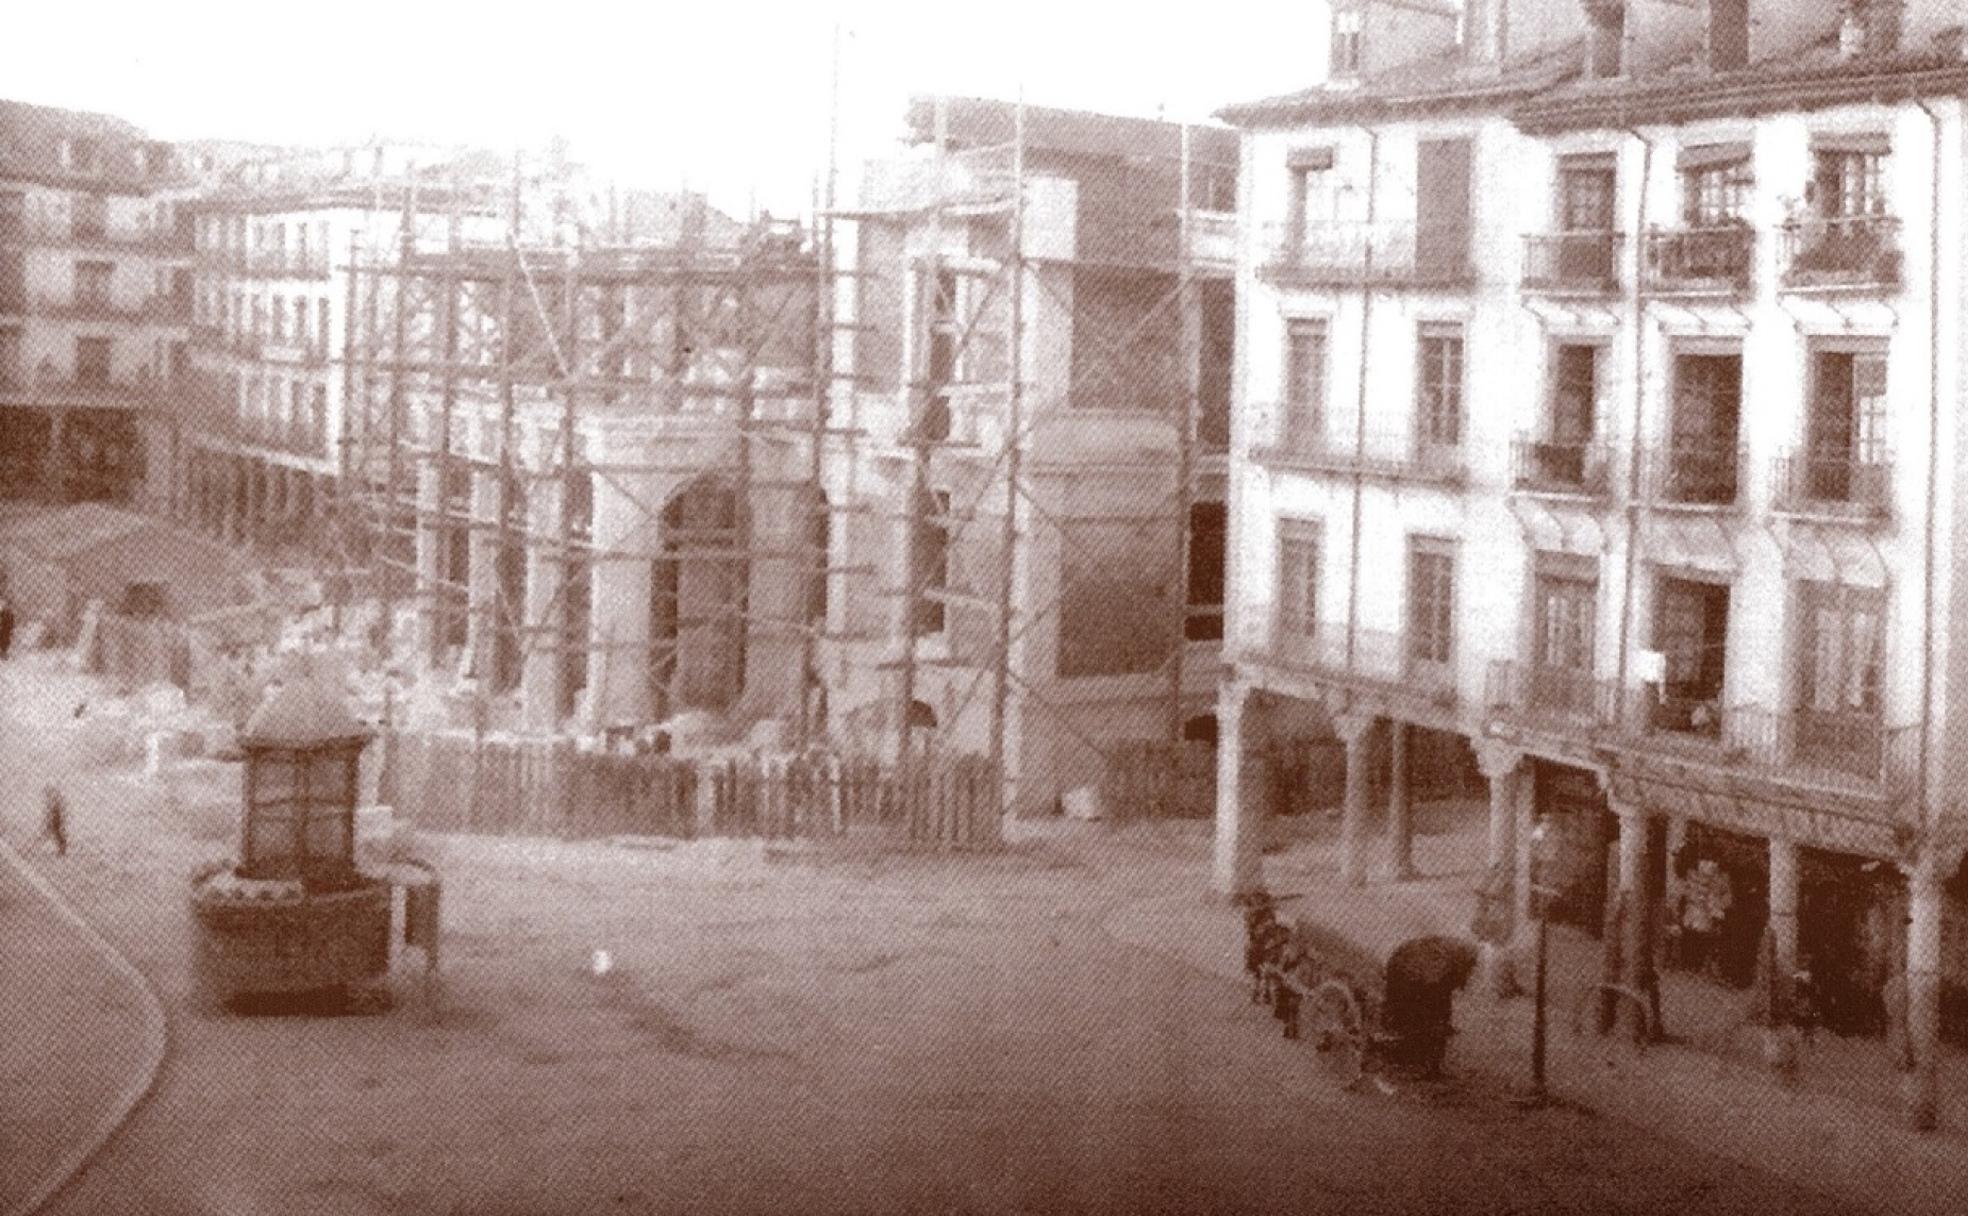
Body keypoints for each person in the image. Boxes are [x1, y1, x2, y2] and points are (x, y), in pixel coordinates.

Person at [43, 785, 67, 857]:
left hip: (56, 820)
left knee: (56, 834)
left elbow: (55, 812)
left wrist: (51, 819)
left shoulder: (54, 801)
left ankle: (61, 848)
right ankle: (61, 848)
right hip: (55, 820)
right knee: (56, 834)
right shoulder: (54, 801)